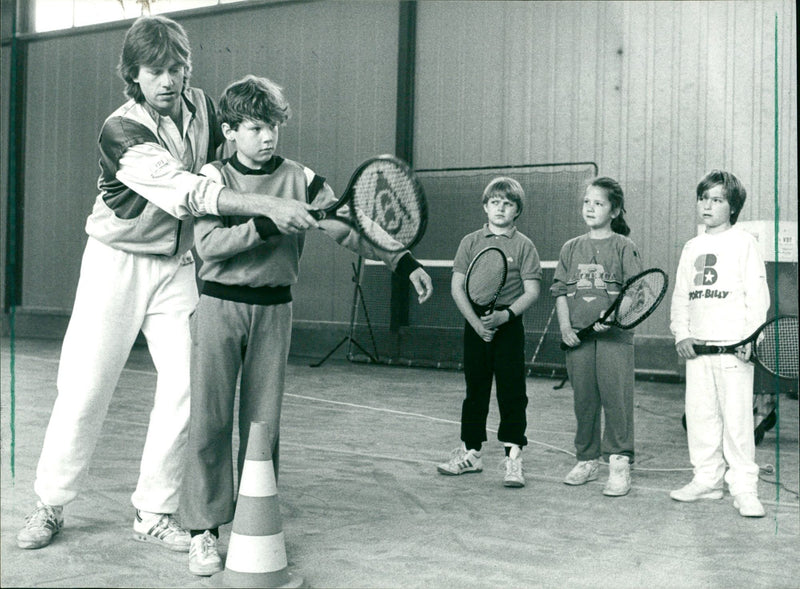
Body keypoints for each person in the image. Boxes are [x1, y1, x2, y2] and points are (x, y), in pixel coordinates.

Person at [16, 16, 321, 552]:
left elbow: (234, 159)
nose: (168, 80)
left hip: (178, 266)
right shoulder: (121, 129)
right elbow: (185, 191)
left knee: (187, 386)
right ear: (132, 74)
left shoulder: (203, 106)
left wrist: (296, 185)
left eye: (177, 68)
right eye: (155, 71)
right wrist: (269, 205)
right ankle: (51, 503)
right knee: (85, 388)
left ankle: (154, 511)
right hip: (116, 262)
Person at [180, 74, 433, 576]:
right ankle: (204, 532)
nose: (268, 136)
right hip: (218, 308)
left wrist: (403, 260)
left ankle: (258, 527)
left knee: (262, 428)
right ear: (229, 131)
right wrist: (269, 220)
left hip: (276, 310)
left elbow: (350, 228)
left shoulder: (304, 178)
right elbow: (208, 247)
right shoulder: (211, 176)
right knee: (209, 421)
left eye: (273, 125)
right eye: (254, 127)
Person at [669, 170, 769, 518]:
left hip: (734, 350)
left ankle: (744, 488)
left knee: (738, 423)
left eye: (717, 199)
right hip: (699, 350)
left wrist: (750, 340)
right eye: (703, 198)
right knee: (700, 419)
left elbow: (758, 298)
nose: (707, 205)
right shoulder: (692, 247)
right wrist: (681, 333)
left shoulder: (744, 243)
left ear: (733, 207)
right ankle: (707, 480)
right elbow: (682, 295)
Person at [436, 177, 541, 488]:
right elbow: (457, 287)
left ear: (517, 210)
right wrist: (477, 323)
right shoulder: (470, 242)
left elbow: (532, 290)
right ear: (485, 206)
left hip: (508, 326)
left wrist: (504, 316)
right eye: (495, 202)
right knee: (476, 391)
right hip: (475, 325)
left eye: (508, 203)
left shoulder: (524, 246)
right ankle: (471, 453)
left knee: (512, 392)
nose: (500, 208)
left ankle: (513, 457)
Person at [552, 177, 642, 497]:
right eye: (587, 202)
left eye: (599, 203)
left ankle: (619, 462)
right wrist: (566, 328)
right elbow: (561, 292)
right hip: (579, 340)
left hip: (614, 341)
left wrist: (614, 317)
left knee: (616, 400)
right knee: (584, 402)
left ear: (614, 210)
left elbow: (633, 291)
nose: (591, 208)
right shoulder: (570, 248)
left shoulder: (624, 247)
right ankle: (587, 460)